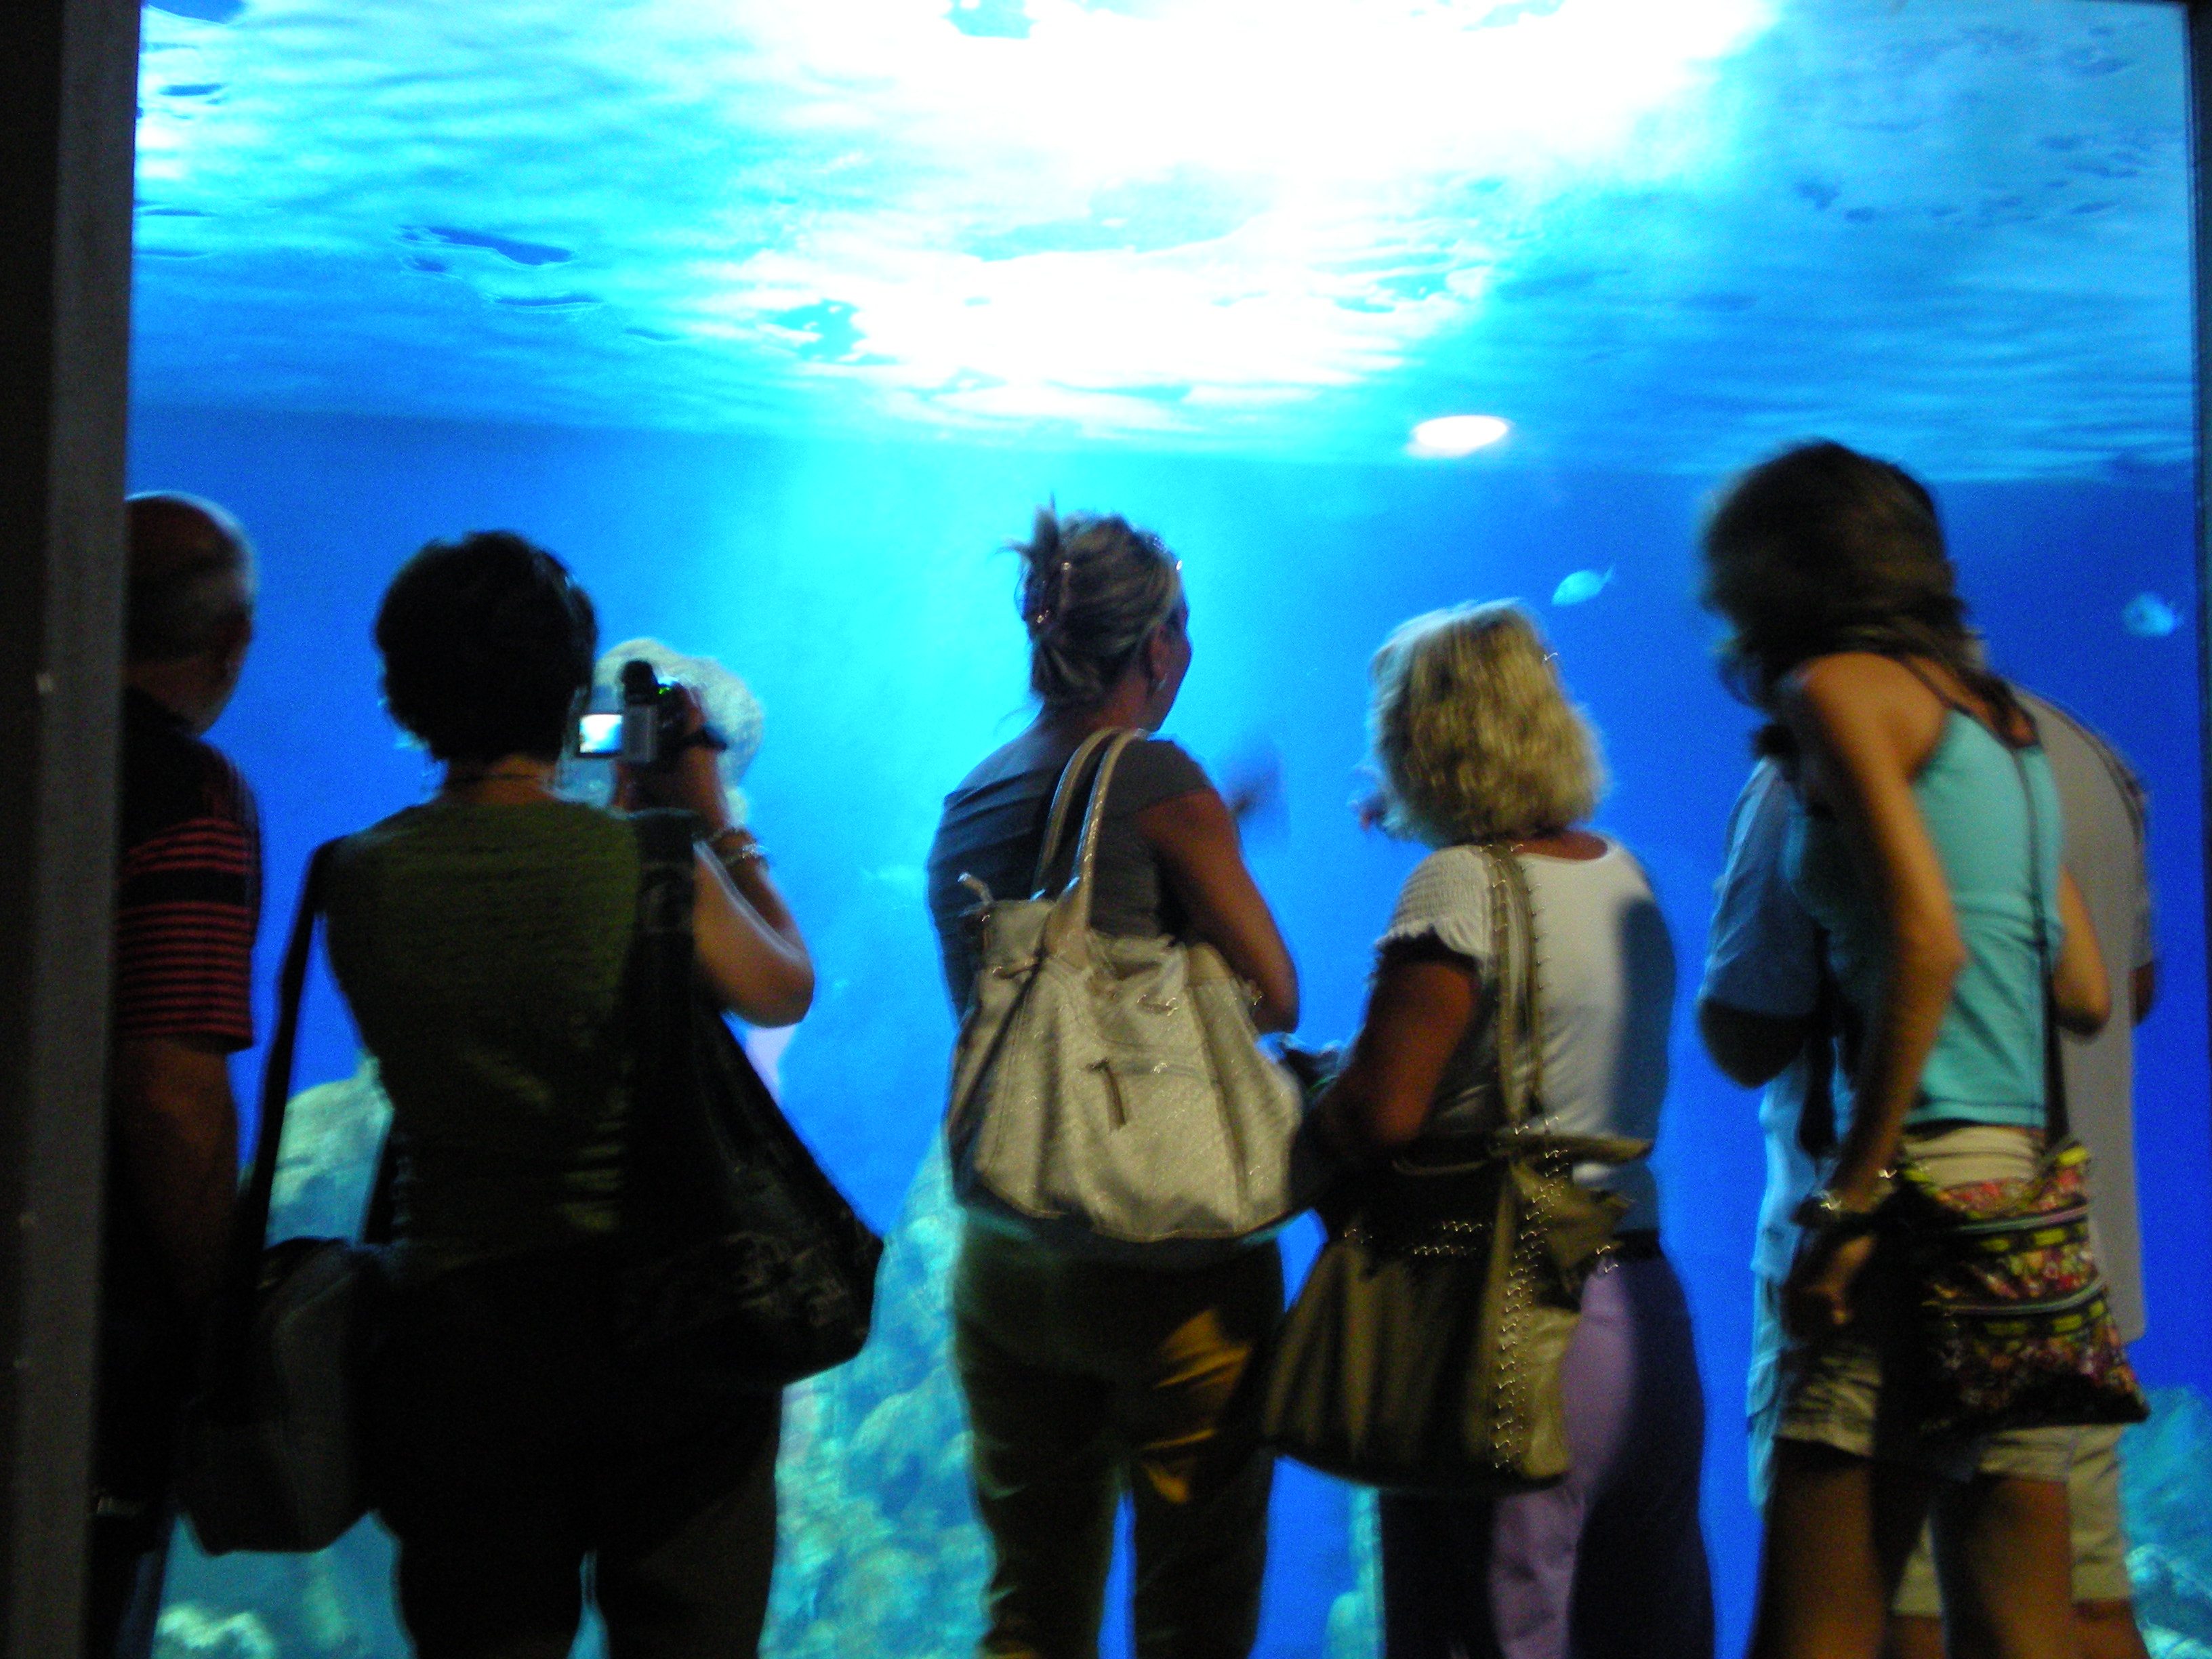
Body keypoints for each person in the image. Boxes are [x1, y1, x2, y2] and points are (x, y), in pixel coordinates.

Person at [325, 531, 813, 1659]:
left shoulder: (356, 876)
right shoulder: (650, 865)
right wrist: (712, 819)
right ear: (567, 701)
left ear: (403, 693)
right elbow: (782, 985)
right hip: (665, 1328)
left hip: (461, 1342)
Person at [1699, 441, 2112, 1659]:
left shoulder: (1833, 690)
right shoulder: (2004, 725)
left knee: (1819, 1626)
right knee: (2022, 1624)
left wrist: (1851, 1198)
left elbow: (1928, 941)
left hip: (1905, 1204)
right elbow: (2083, 990)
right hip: (2021, 1211)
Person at [924, 508, 1298, 1659]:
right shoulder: (1156, 775)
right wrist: (1208, 839)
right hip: (1162, 1260)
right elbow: (1276, 992)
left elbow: (1030, 996)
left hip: (1010, 1256)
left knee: (1033, 1608)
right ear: (1157, 647)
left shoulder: (969, 802)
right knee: (1193, 1607)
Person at [1311, 601, 1713, 1659]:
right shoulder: (1621, 871)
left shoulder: (1457, 884)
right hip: (1641, 1309)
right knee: (1648, 1631)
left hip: (1506, 1320)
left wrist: (1298, 1095)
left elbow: (1382, 1112)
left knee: (1485, 1630)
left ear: (1425, 737)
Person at [92, 493, 262, 1659]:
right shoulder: (187, 797)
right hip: (95, 1322)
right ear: (231, 642)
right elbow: (169, 1090)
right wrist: (223, 1320)